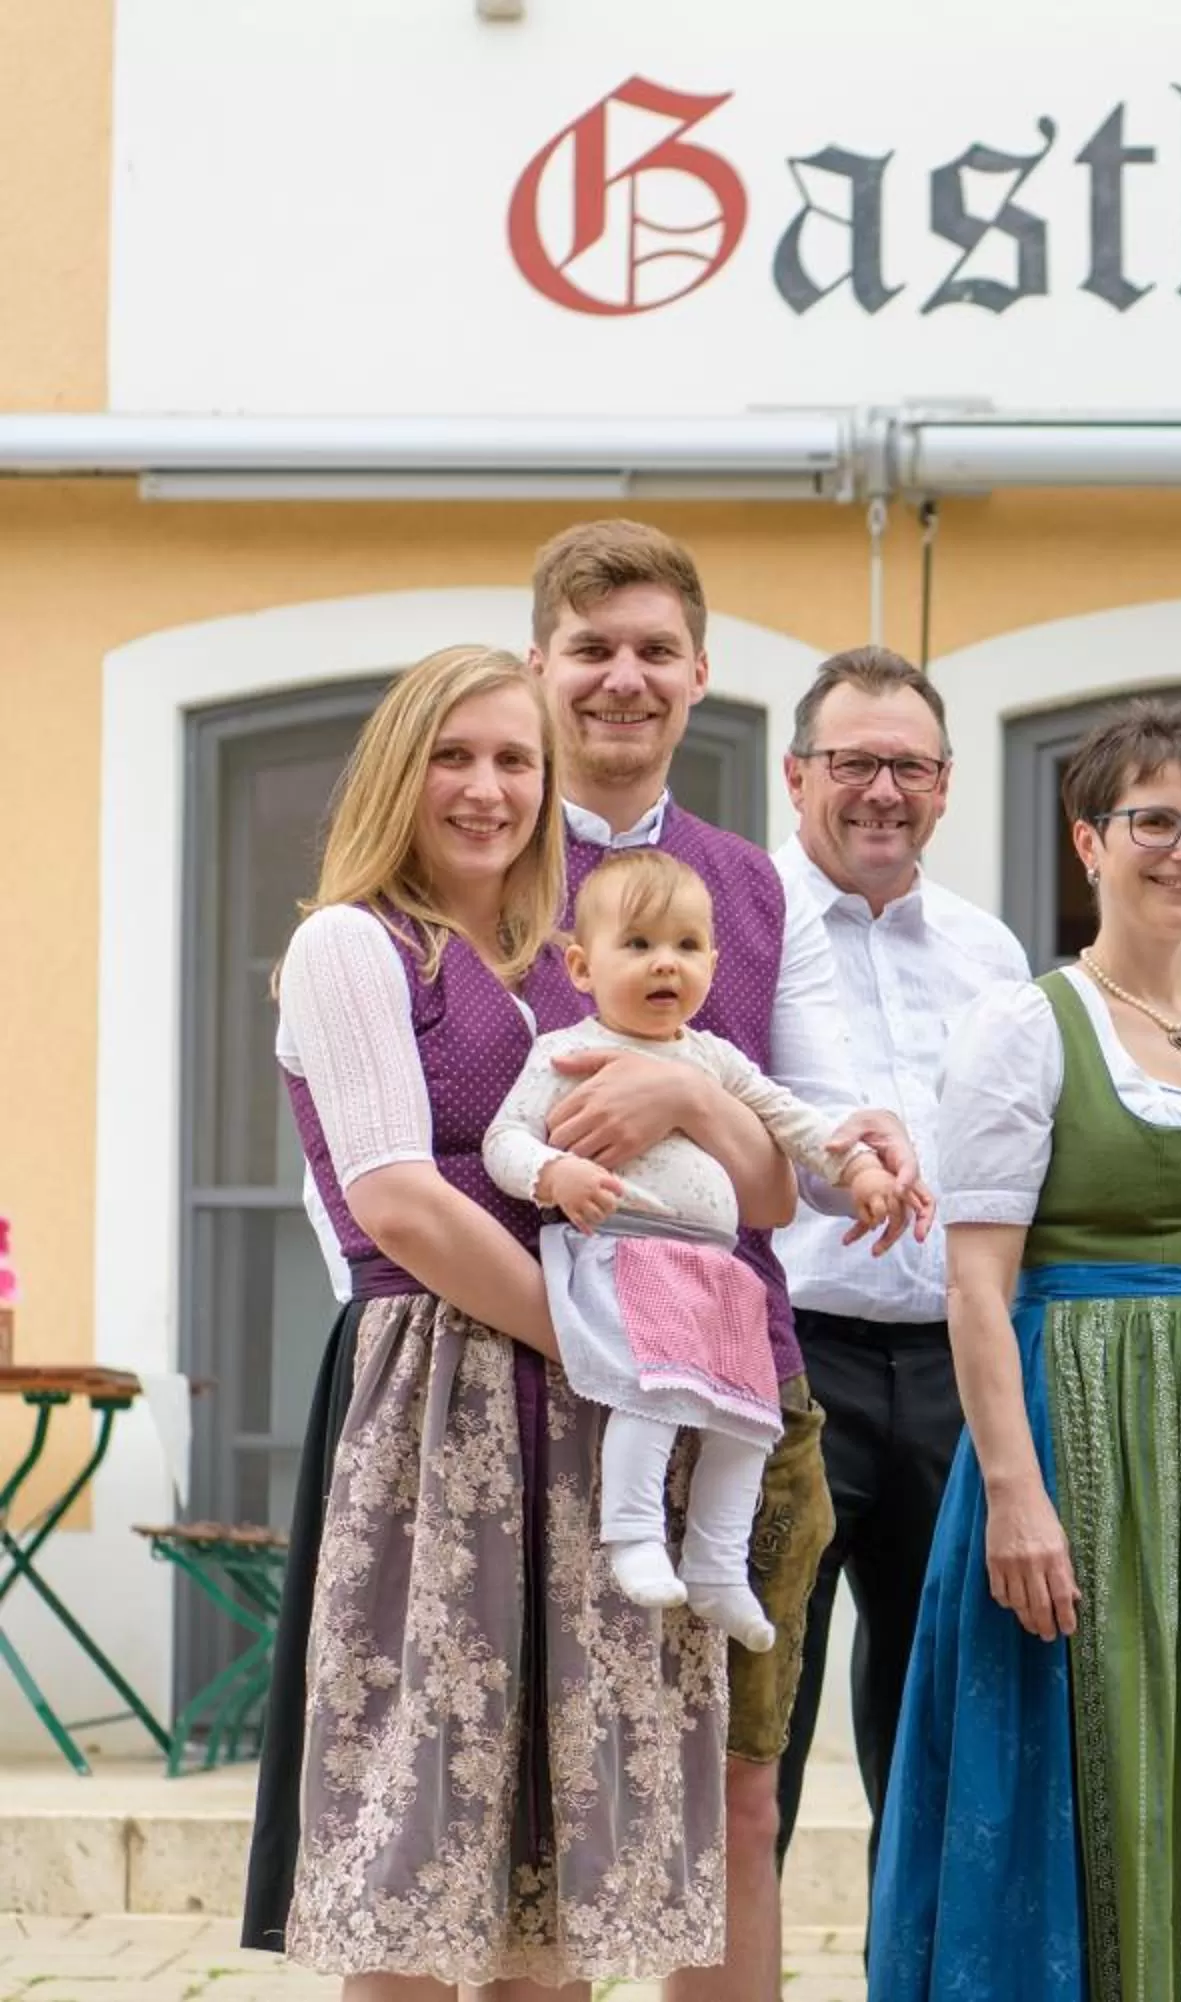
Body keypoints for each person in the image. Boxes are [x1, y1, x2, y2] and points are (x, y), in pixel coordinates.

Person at [873, 697, 1181, 2001]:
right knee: (1094, 1756)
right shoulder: (1028, 1025)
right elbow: (977, 1285)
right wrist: (1013, 1493)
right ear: (1089, 840)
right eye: (1153, 819)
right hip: (1084, 1443)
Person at [247, 646, 727, 1990]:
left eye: (516, 759)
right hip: (439, 1404)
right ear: (401, 775)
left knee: (549, 1858)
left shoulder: (539, 982)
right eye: (454, 756)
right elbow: (398, 1199)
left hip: (568, 1418)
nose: (486, 786)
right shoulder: (351, 942)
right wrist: (598, 1351)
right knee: (422, 1824)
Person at [523, 519, 922, 2002]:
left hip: (742, 1371)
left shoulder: (757, 889)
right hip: (543, 1375)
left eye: (651, 652)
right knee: (549, 1794)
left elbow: (778, 1177)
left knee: (740, 1787)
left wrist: (695, 1093)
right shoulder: (488, 848)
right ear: (540, 670)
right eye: (590, 650)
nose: (622, 680)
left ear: (700, 675)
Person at [483, 848, 905, 1647]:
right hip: (630, 1255)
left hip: (716, 1274)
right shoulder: (567, 1051)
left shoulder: (712, 1057)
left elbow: (791, 1120)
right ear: (581, 964)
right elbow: (505, 1137)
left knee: (746, 1422)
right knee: (658, 1397)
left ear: (713, 961)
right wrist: (554, 1174)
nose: (663, 964)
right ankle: (634, 1533)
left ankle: (717, 1564)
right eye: (637, 945)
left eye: (684, 946)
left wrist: (858, 1166)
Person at [770, 647, 1033, 1867]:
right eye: (854, 761)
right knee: (752, 1717)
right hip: (782, 1359)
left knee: (935, 1725)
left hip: (950, 1366)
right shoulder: (739, 928)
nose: (883, 788)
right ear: (795, 775)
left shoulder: (992, 955)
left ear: (946, 784)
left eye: (909, 765)